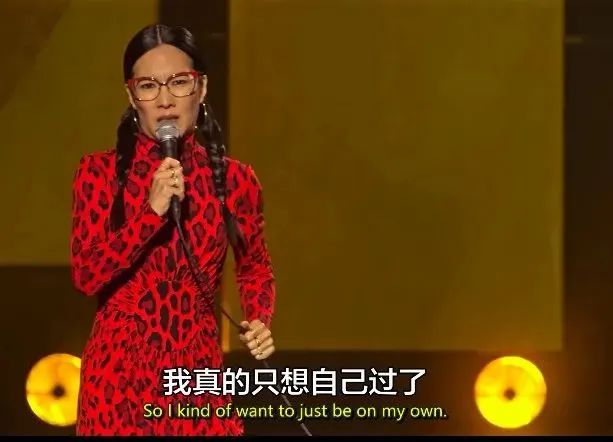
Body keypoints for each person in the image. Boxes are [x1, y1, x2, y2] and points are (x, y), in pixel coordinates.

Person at [70, 24, 276, 436]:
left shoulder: (235, 181)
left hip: (196, 377)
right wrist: (150, 214)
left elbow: (254, 267)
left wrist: (258, 319)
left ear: (201, 88)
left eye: (179, 82)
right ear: (132, 97)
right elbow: (87, 274)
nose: (165, 100)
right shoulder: (99, 172)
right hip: (119, 382)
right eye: (148, 86)